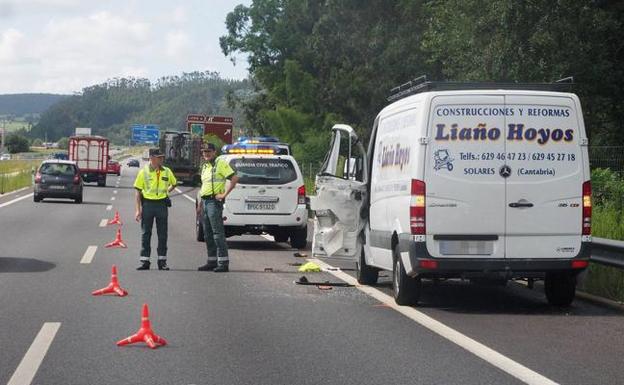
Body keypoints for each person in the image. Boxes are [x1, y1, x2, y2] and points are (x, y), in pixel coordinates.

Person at [197, 143, 239, 272]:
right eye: (204, 151)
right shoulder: (205, 166)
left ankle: (223, 262)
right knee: (207, 234)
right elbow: (204, 186)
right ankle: (212, 261)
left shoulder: (220, 164)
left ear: (214, 152)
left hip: (214, 203)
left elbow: (234, 178)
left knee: (217, 234)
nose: (206, 154)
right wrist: (199, 204)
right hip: (205, 201)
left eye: (209, 151)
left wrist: (224, 194)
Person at [133, 148, 177, 270]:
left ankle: (162, 261)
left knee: (163, 234)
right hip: (148, 205)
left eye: (162, 157)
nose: (162, 159)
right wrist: (138, 209)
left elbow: (174, 183)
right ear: (152, 158)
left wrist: (166, 192)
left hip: (161, 205)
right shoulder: (144, 172)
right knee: (146, 233)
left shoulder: (167, 171)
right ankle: (144, 261)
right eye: (159, 157)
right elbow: (138, 192)